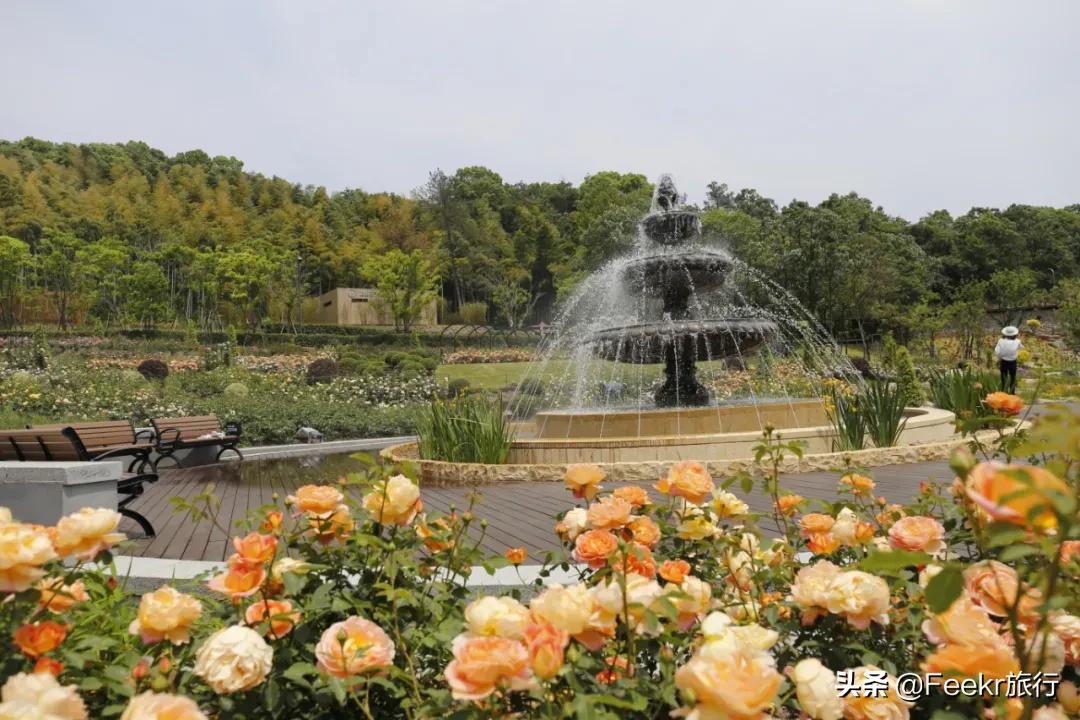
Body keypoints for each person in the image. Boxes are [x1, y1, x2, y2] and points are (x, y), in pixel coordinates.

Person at [993, 325, 1022, 394]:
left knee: (1003, 377)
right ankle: (1012, 392)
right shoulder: (1017, 341)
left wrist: (1000, 356)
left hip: (1004, 361)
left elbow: (996, 351)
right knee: (1013, 377)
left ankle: (1004, 391)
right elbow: (1021, 348)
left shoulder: (1001, 341)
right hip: (1013, 362)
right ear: (1015, 334)